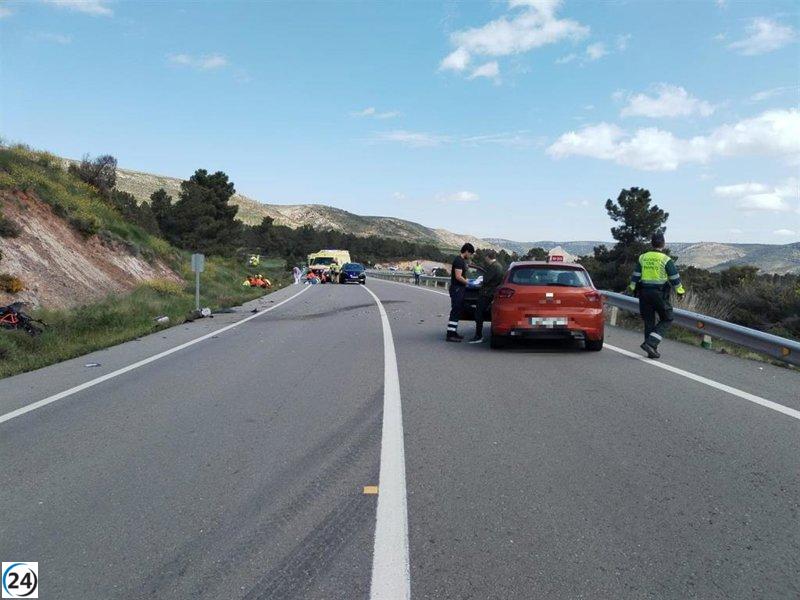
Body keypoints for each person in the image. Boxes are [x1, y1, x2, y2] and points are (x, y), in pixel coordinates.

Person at [628, 232, 686, 359]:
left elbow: (636, 275)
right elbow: (674, 278)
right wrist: (680, 291)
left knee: (649, 322)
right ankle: (651, 343)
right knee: (667, 318)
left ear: (651, 243)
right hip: (659, 294)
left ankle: (651, 350)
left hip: (644, 293)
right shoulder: (665, 259)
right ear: (663, 244)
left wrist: (632, 288)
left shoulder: (643, 257)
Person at [469, 250, 505, 344]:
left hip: (487, 293)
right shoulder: (498, 266)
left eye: (485, 257)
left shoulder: (494, 267)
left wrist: (479, 282)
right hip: (491, 293)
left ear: (488, 257)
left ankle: (478, 336)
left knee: (479, 314)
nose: (484, 259)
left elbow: (486, 280)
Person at [446, 243, 475, 342]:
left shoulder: (461, 261)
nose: (470, 256)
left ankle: (453, 332)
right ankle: (450, 335)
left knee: (457, 311)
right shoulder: (458, 261)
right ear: (466, 251)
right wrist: (468, 283)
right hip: (457, 289)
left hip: (459, 289)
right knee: (455, 310)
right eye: (470, 254)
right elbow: (458, 276)